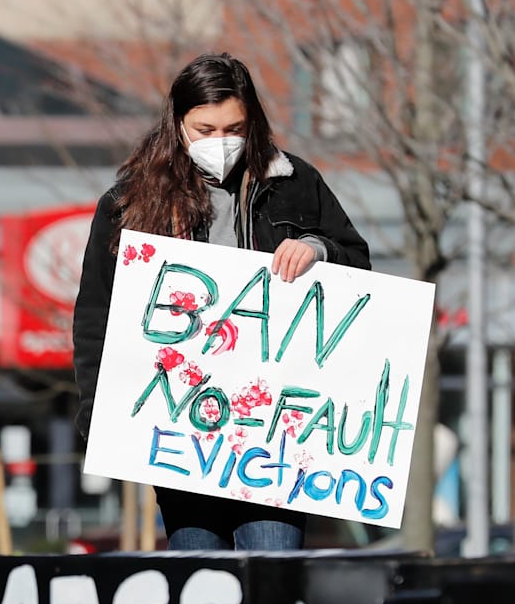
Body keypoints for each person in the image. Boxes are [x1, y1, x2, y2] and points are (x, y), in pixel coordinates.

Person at [71, 53, 371, 552]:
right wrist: (99, 412)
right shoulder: (129, 203)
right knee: (199, 574)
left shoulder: (295, 186)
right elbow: (97, 317)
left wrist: (319, 249)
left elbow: (359, 269)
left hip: (276, 429)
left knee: (271, 569)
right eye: (204, 129)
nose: (219, 143)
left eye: (233, 128)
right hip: (182, 426)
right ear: (177, 124)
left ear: (252, 122)